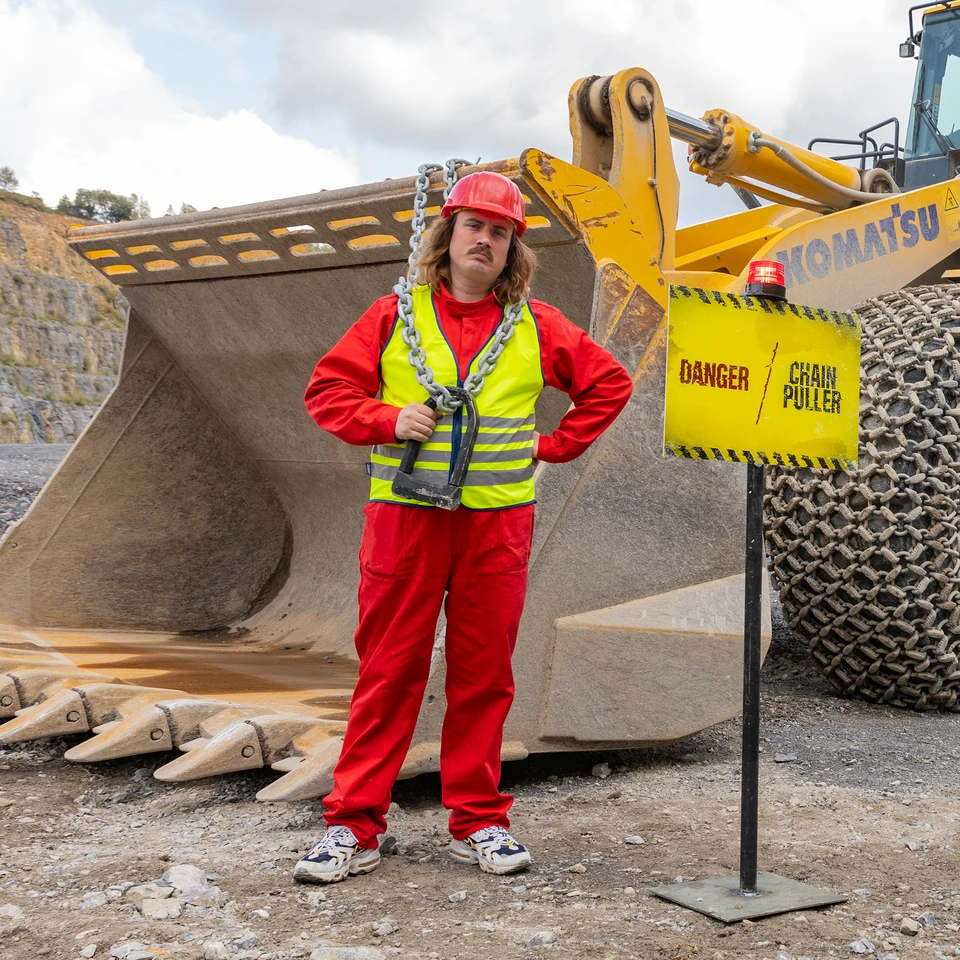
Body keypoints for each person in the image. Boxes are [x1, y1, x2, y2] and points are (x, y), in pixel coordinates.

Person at [296, 171, 633, 884]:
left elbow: (610, 383)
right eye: (474, 226)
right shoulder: (393, 315)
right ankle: (353, 826)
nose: (485, 240)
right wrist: (387, 418)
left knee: (484, 677)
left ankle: (478, 821)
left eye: (500, 231)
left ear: (513, 250)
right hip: (406, 522)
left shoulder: (539, 326)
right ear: (447, 235)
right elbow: (326, 391)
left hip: (496, 527)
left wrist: (556, 445)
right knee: (389, 672)